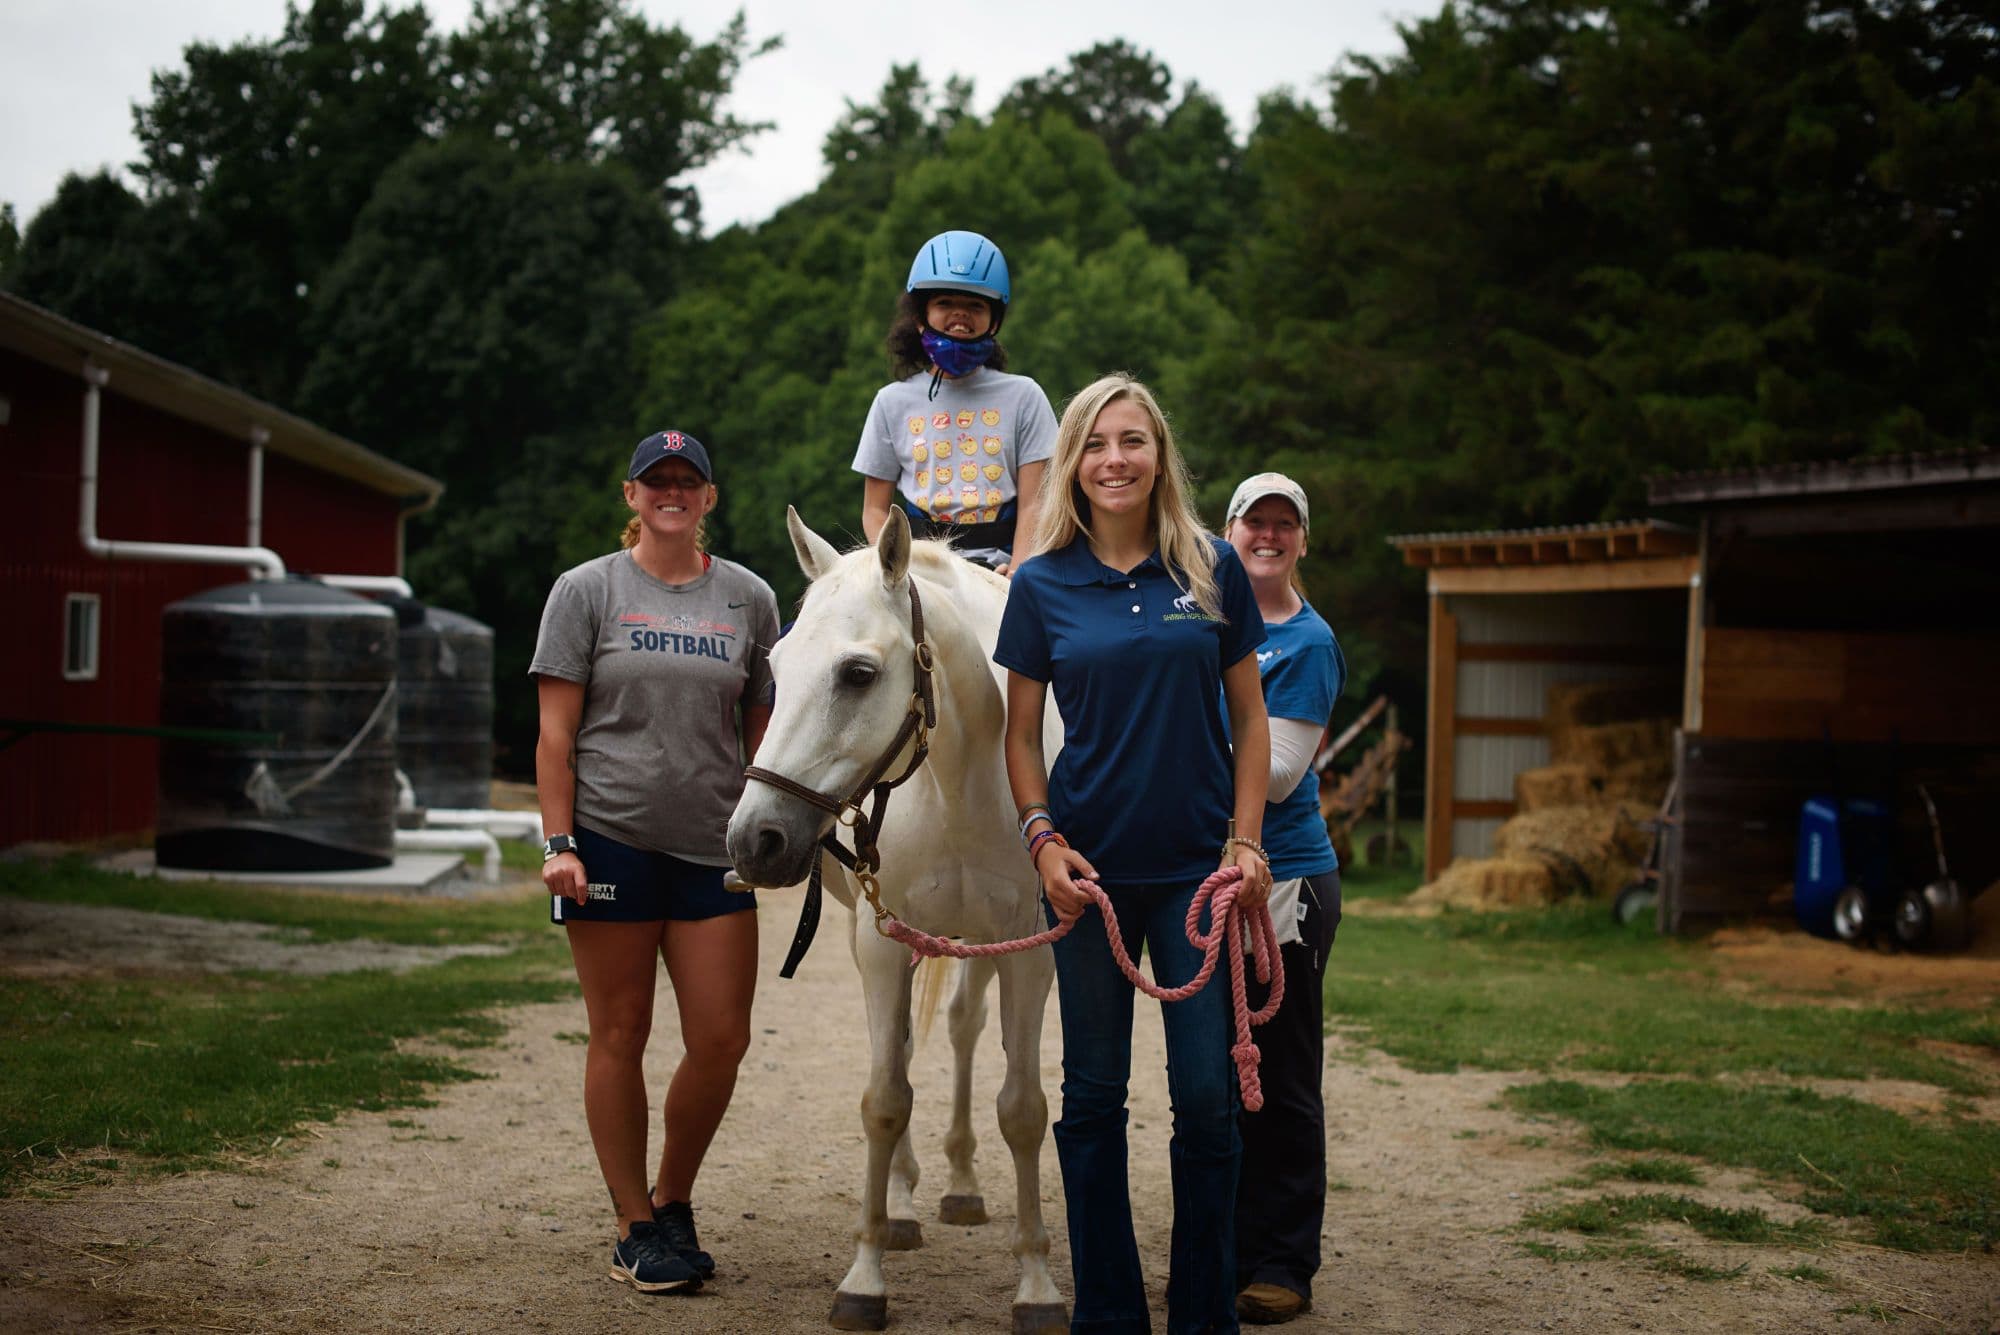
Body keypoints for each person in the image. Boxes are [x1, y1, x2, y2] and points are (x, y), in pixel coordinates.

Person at [995, 372, 1274, 1334]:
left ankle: (1203, 1312)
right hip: (1090, 882)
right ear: (1073, 461)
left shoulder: (1209, 566)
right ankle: (1108, 1311)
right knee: (1092, 1098)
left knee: (1206, 1102)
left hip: (1200, 875)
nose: (1116, 459)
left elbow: (1250, 716)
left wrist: (1246, 841)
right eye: (1097, 443)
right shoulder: (1038, 586)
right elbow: (1021, 736)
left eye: (1134, 440)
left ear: (1160, 456)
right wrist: (1042, 842)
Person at [529, 428, 779, 1295]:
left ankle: (673, 1200)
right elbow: (555, 734)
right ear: (632, 495)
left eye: (688, 480)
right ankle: (634, 1224)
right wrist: (558, 843)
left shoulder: (748, 598)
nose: (672, 491)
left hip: (712, 845)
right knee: (621, 1031)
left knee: (720, 1037)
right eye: (656, 480)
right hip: (609, 839)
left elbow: (763, 728)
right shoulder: (586, 589)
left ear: (709, 497)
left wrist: (767, 821)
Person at [1219, 473, 1346, 1326]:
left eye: (1282, 525)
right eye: (1253, 522)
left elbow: (1284, 767)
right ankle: (1225, 1247)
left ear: (1301, 539)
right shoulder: (1204, 621)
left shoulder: (1307, 639)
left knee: (1284, 1073)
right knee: (1219, 1078)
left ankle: (1283, 1260)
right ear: (1228, 531)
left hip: (1285, 878)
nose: (1267, 535)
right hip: (1216, 875)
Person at [853, 228, 1058, 574]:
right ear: (921, 317)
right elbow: (875, 510)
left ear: (994, 321)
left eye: (975, 305)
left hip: (999, 569)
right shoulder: (891, 402)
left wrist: (1020, 572)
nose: (960, 314)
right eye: (945, 303)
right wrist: (895, 569)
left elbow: (1035, 503)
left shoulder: (1025, 396)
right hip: (917, 571)